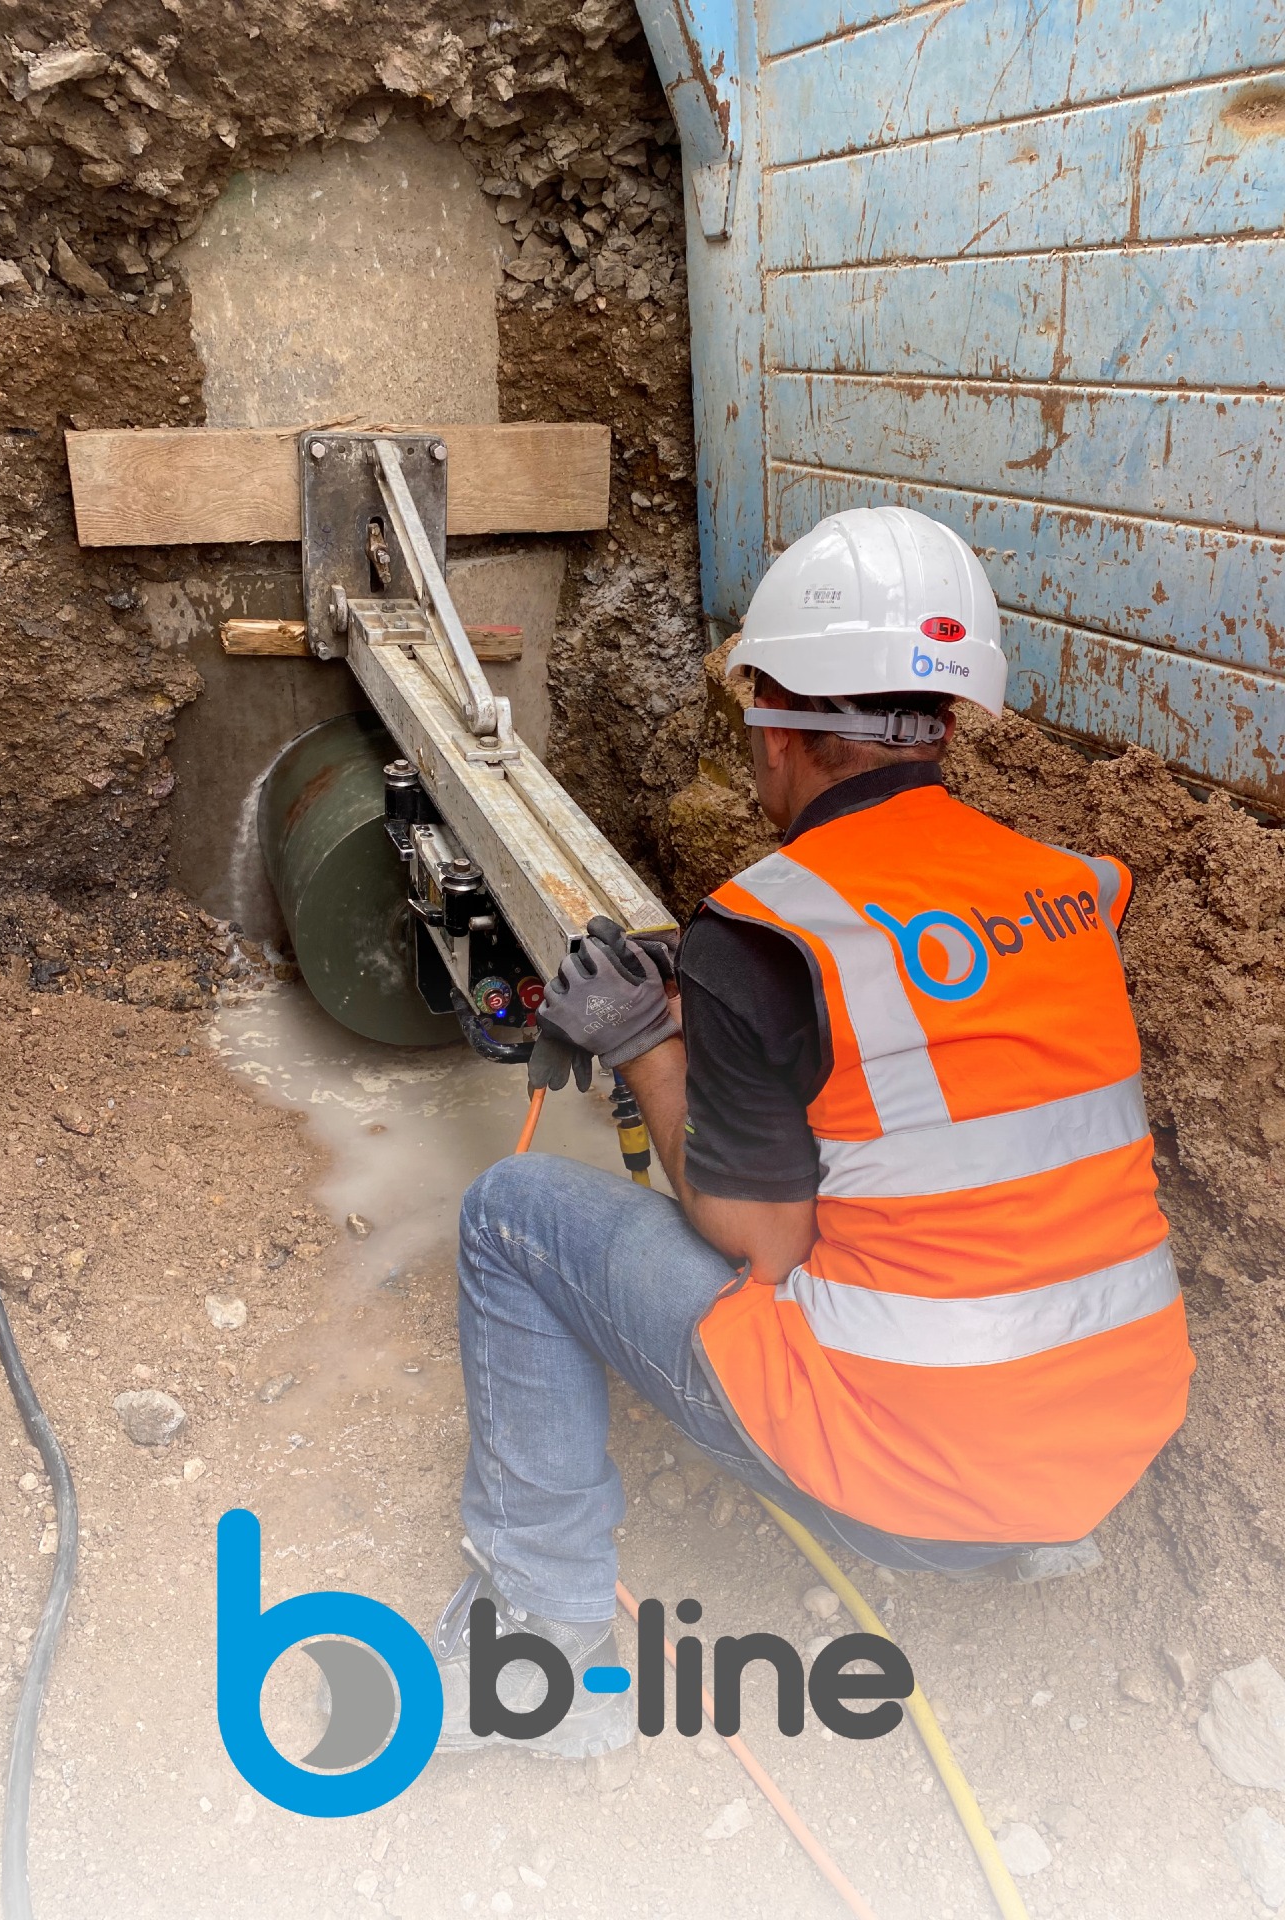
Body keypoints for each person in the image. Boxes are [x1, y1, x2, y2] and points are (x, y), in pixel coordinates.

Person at [431, 506, 1195, 1757]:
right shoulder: (1067, 889)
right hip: (1107, 1438)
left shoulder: (764, 934)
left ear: (780, 724)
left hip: (917, 1477)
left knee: (511, 1217)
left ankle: (536, 1643)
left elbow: (763, 1241)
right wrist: (720, 1018)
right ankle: (1031, 1539)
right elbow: (923, 1060)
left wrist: (647, 1048)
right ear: (946, 724)